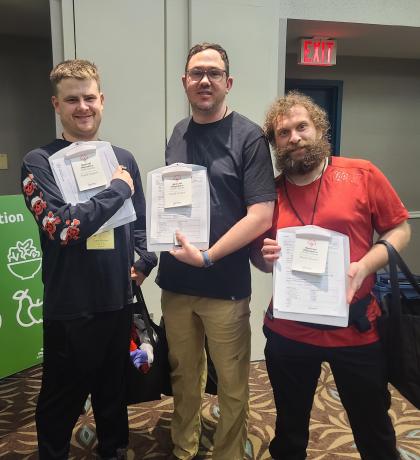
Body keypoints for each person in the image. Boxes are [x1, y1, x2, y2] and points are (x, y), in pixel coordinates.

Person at [250, 91, 411, 460]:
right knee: (290, 431)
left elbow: (400, 229)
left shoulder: (361, 173)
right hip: (289, 332)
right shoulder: (269, 193)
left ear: (319, 129)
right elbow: (261, 261)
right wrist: (265, 257)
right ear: (275, 143)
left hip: (355, 330)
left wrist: (366, 265)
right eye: (283, 133)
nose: (294, 138)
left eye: (301, 127)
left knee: (374, 430)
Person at [21, 59, 157, 460]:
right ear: (56, 105)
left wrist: (145, 261)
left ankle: (113, 450)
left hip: (117, 300)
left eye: (90, 98)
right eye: (72, 99)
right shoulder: (38, 162)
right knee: (60, 397)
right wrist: (116, 189)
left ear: (102, 101)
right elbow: (62, 228)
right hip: (70, 306)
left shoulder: (122, 158)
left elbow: (143, 225)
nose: (83, 107)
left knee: (113, 391)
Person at [155, 43, 276, 460]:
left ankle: (227, 452)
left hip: (224, 285)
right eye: (195, 73)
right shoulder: (177, 132)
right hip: (175, 282)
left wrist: (208, 256)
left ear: (228, 82)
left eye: (213, 72)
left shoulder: (250, 138)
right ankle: (184, 446)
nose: (204, 80)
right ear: (184, 82)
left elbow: (261, 215)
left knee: (232, 382)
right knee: (183, 375)